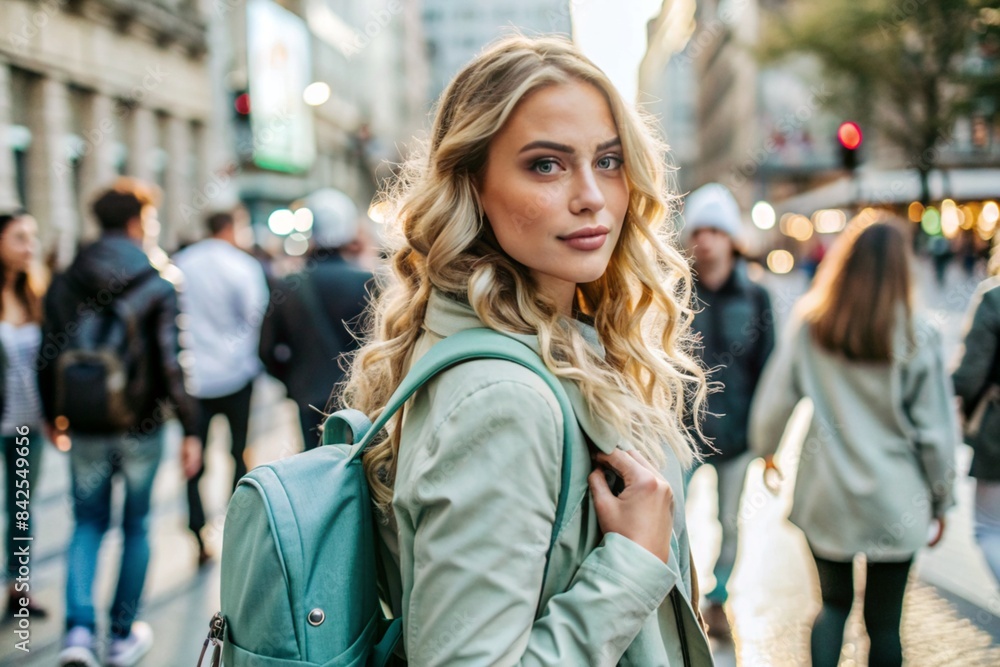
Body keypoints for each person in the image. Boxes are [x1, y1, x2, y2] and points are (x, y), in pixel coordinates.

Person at [341, 35, 714, 664]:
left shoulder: (547, 342)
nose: (592, 196)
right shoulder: (502, 398)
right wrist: (632, 564)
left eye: (609, 160)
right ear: (472, 184)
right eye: (546, 165)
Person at [750, 221, 958, 667]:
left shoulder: (813, 324)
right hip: (896, 497)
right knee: (884, 624)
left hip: (827, 492)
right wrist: (942, 498)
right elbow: (936, 433)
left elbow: (775, 399)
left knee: (831, 606)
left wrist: (767, 451)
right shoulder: (919, 333)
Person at [38, 179, 201, 667]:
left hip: (85, 422)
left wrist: (51, 415)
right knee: (136, 524)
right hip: (142, 423)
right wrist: (191, 428)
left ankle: (78, 633)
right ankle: (122, 635)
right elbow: (172, 363)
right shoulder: (159, 280)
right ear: (136, 222)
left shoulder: (65, 279)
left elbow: (47, 355)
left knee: (87, 522)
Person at [682, 182, 774, 637]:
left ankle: (718, 595)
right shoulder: (675, 292)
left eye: (716, 231)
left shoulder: (755, 297)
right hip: (684, 433)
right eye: (699, 231)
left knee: (731, 523)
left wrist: (766, 436)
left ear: (731, 238)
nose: (706, 240)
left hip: (737, 435)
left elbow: (769, 369)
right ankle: (681, 593)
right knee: (670, 515)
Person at [173, 210, 268, 565]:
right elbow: (256, 317)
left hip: (192, 378)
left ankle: (198, 531)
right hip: (235, 374)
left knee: (193, 457)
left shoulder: (181, 263)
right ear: (231, 228)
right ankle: (237, 526)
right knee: (238, 450)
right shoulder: (242, 266)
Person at [259, 188, 374, 450]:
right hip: (361, 398)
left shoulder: (288, 286)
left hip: (310, 397)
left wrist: (294, 383)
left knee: (315, 464)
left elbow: (266, 350)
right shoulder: (369, 282)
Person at [0, 210, 48, 619]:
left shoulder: (35, 293)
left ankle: (18, 588)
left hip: (27, 424)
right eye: (19, 237)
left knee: (20, 507)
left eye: (32, 237)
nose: (29, 246)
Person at [953, 244, 1000, 582]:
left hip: (997, 431)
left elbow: (969, 375)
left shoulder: (994, 298)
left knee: (989, 528)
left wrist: (964, 409)